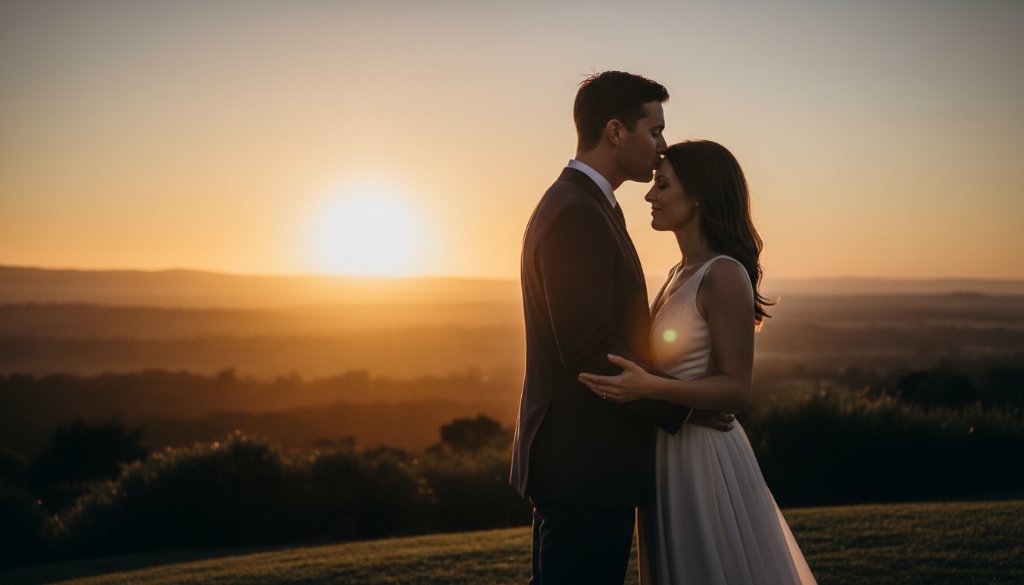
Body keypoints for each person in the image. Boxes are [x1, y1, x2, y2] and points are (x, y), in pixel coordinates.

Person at [510, 72, 733, 585]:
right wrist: (683, 405)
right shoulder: (577, 213)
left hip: (583, 464)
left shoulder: (584, 204)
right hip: (585, 464)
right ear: (615, 131)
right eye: (654, 131)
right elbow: (590, 350)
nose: (662, 148)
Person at [578, 140, 817, 584]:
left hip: (704, 459)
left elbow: (735, 389)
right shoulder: (678, 272)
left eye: (662, 185)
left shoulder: (723, 274)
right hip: (665, 453)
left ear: (699, 197)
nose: (650, 195)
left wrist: (652, 389)